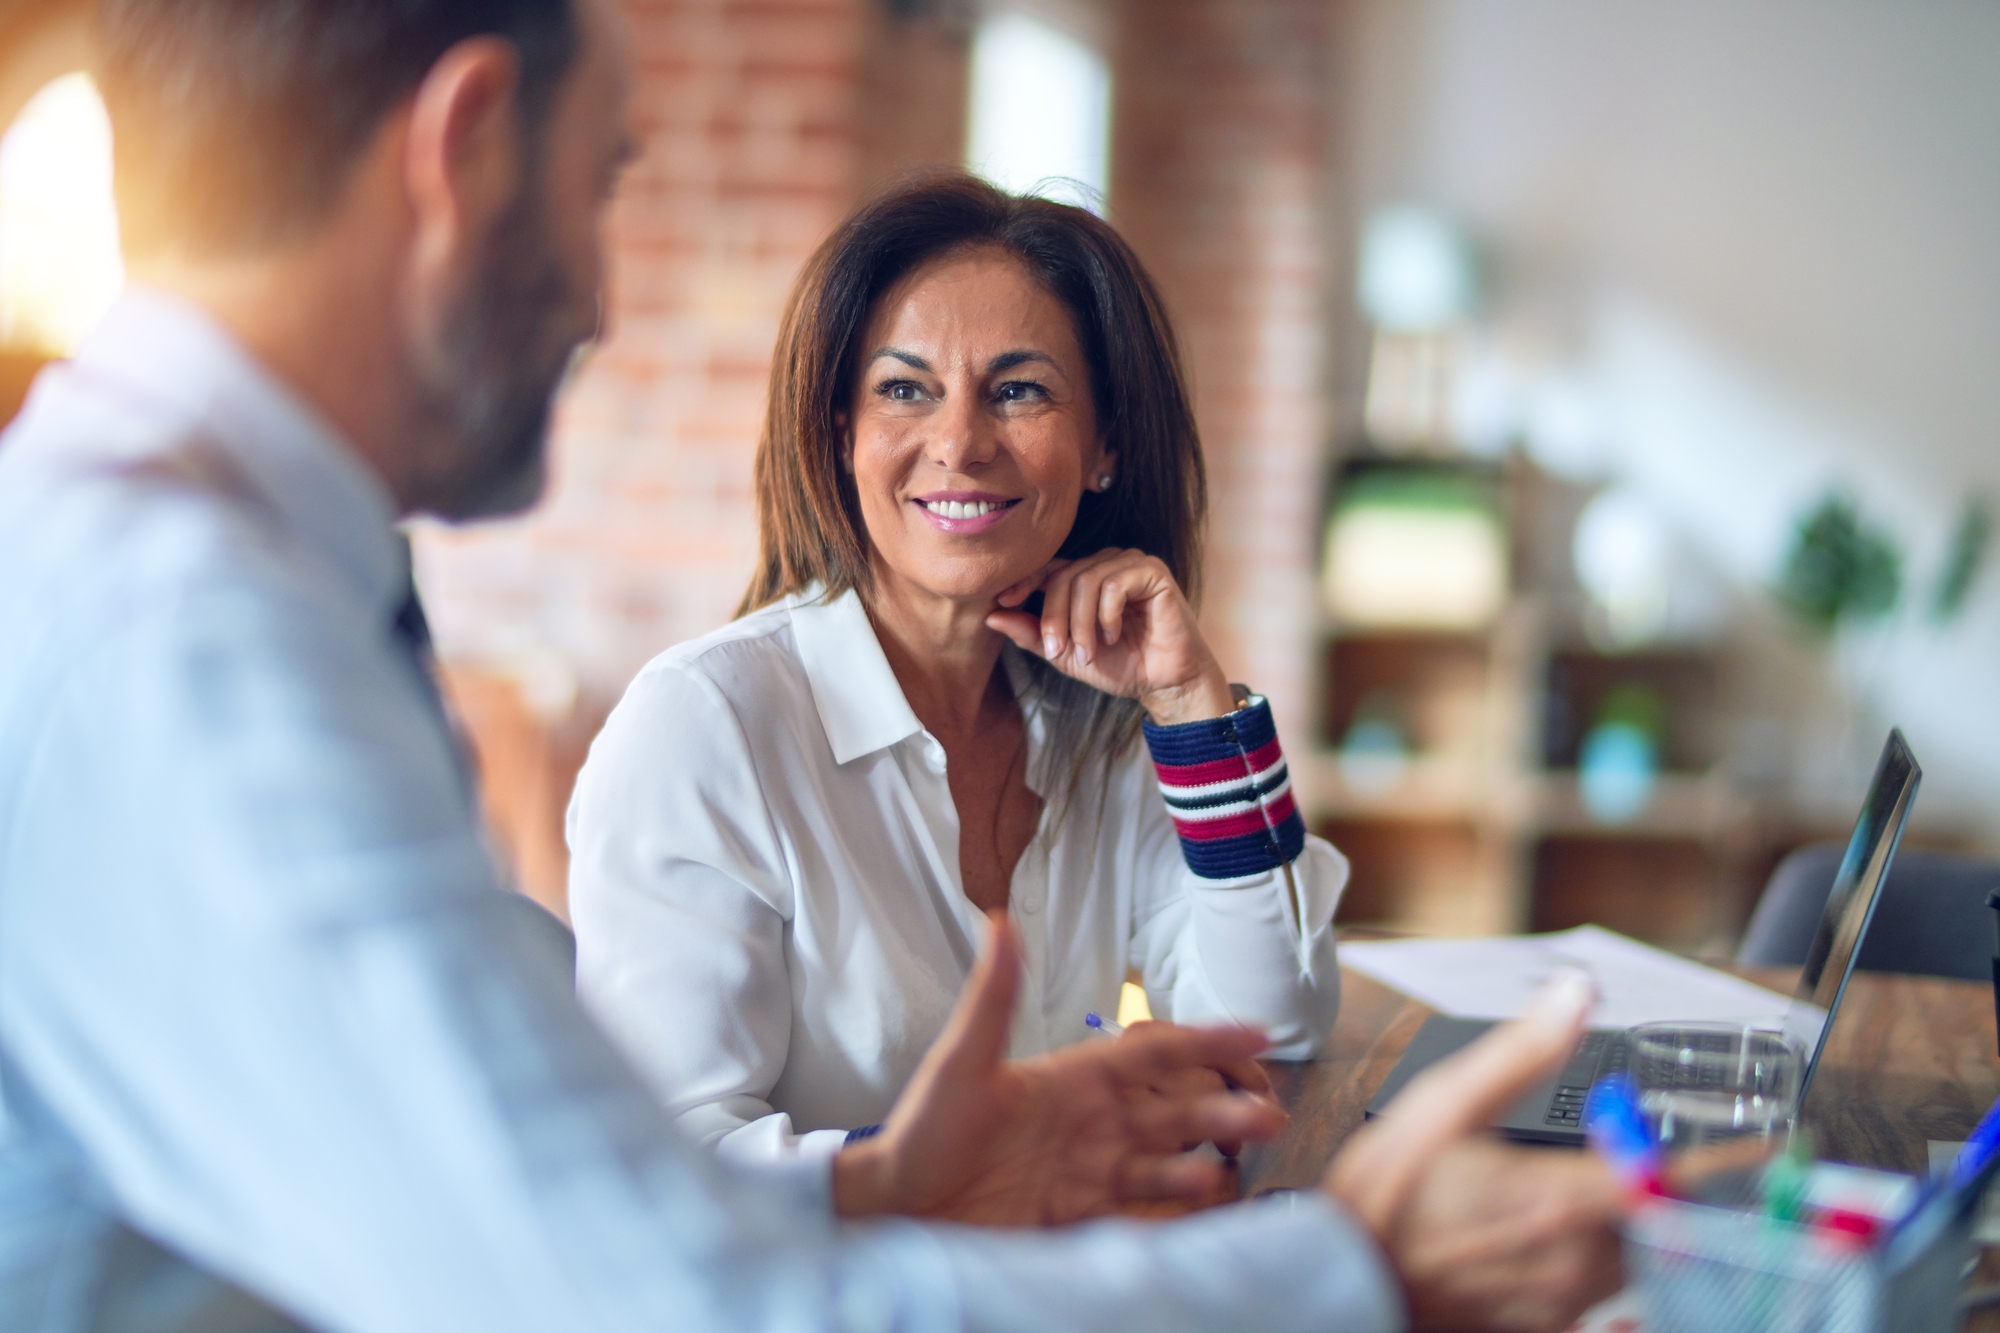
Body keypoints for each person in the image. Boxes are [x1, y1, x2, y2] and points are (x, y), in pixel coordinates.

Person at [0, 0, 1624, 1329]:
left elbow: (555, 1198)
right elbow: (641, 1292)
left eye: (1020, 391)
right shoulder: (194, 636)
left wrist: (892, 1177)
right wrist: (1349, 1273)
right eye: (603, 185)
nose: (601, 295)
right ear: (465, 145)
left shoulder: (202, 571)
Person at [569, 176, 1348, 1165]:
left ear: (1104, 443)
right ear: (838, 432)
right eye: (904, 389)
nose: (959, 443)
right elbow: (666, 1157)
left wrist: (1194, 709)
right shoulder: (704, 725)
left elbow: (1275, 1019)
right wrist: (1001, 1155)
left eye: (1018, 390)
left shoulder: (1100, 719)